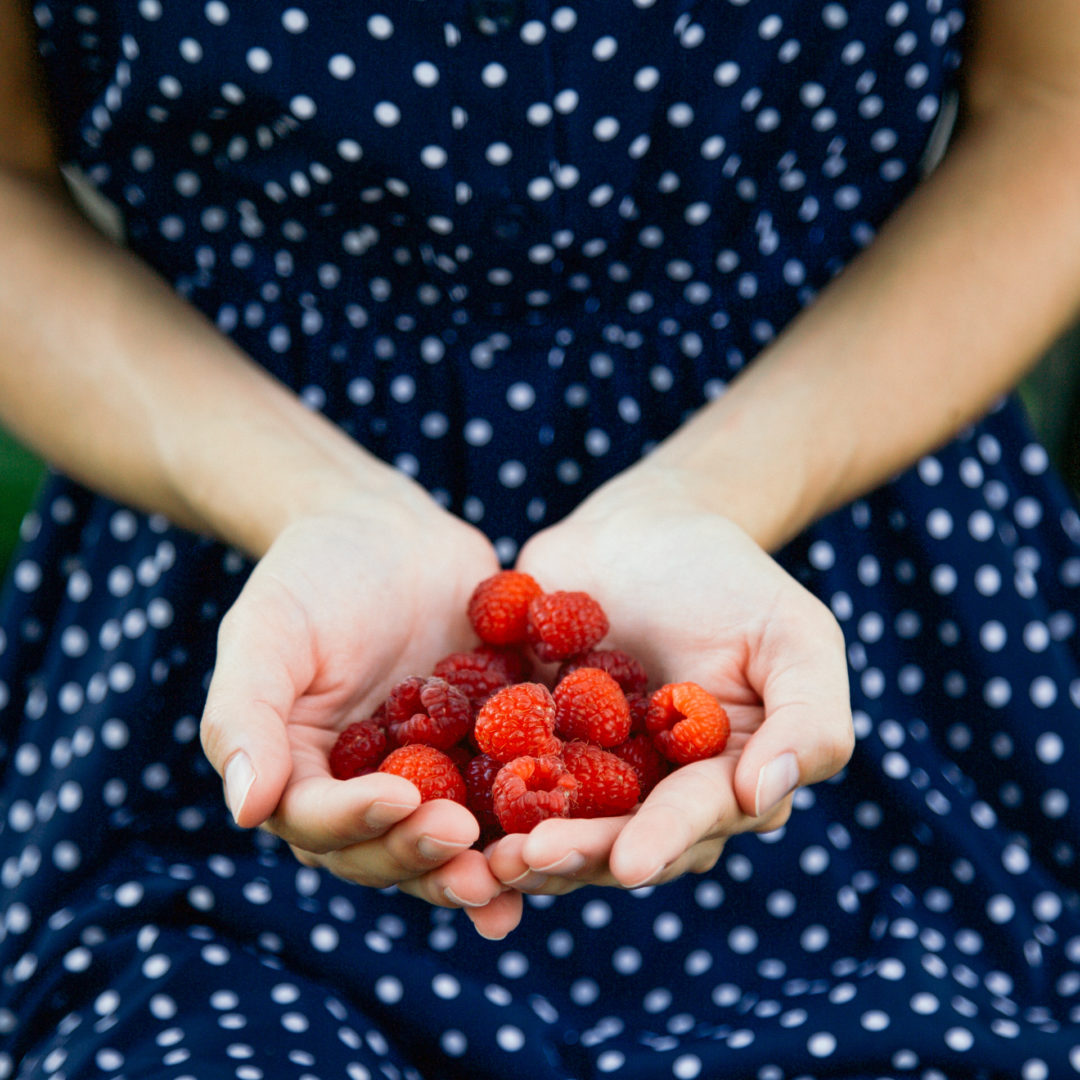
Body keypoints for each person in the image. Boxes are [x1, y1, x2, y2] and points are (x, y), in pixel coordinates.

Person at [1, 0, 1077, 1076]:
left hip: (863, 562)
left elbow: (1051, 105)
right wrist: (309, 498)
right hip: (230, 610)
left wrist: (720, 485)